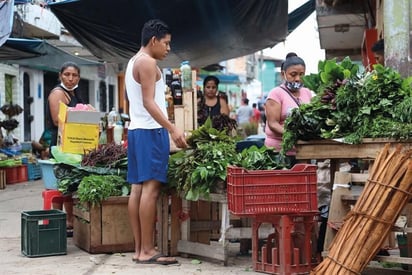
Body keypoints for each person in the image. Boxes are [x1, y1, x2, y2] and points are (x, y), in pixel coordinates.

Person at [125, 19, 187, 265]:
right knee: (150, 190)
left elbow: (137, 101)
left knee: (137, 189)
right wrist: (172, 129)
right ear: (153, 41)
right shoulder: (148, 62)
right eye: (166, 43)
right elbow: (150, 102)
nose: (168, 48)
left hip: (136, 130)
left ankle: (140, 249)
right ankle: (148, 250)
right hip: (151, 132)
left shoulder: (133, 61)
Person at [45, 61, 84, 237]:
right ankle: (61, 221)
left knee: (69, 184)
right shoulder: (57, 93)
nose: (70, 78)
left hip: (71, 144)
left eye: (74, 75)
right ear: (60, 75)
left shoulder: (74, 92)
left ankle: (69, 221)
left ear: (78, 77)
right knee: (62, 182)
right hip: (60, 145)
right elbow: (56, 120)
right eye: (67, 74)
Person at [264, 55, 313, 165]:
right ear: (283, 74)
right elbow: (273, 123)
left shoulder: (307, 93)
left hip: (303, 151)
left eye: (301, 74)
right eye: (293, 74)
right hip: (279, 152)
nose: (297, 79)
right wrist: (293, 134)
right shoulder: (276, 93)